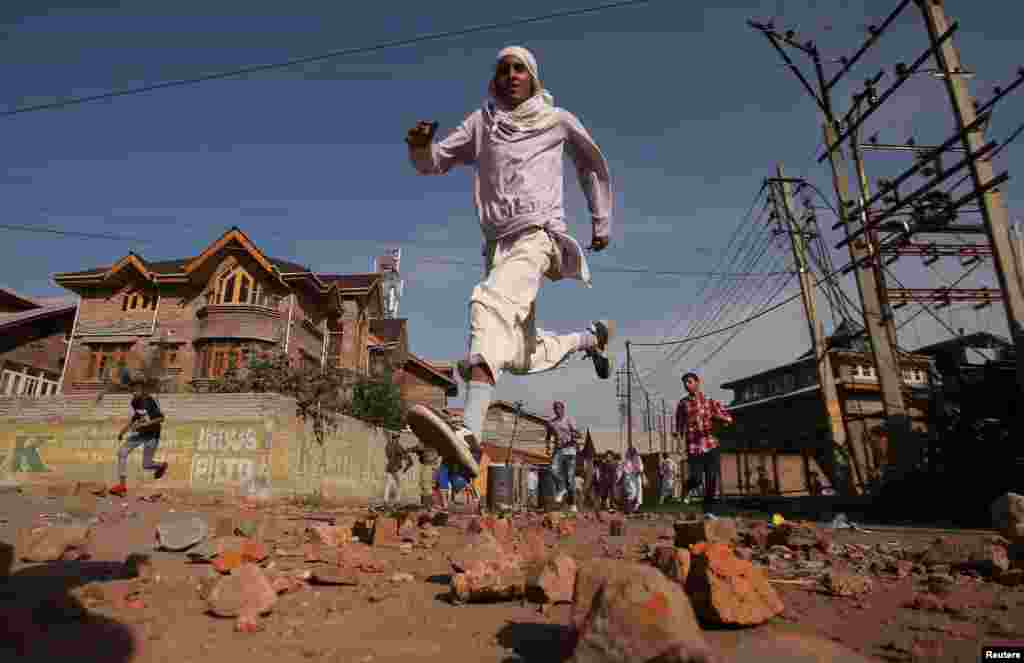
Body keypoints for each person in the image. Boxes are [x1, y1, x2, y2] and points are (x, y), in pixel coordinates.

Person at [406, 45, 616, 475]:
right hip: (497, 246)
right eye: (503, 70)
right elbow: (435, 162)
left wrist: (602, 220)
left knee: (488, 306)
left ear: (534, 76)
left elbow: (591, 164)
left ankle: (470, 433)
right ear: (495, 79)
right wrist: (420, 147)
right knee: (517, 353)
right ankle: (588, 339)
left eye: (519, 68)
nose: (511, 75)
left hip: (538, 236)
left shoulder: (556, 120)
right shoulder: (483, 122)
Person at [673, 371, 734, 515]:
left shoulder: (709, 401)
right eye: (684, 383)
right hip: (694, 447)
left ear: (697, 382)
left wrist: (723, 421)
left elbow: (727, 417)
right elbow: (679, 426)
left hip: (711, 444)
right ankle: (687, 487)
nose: (687, 386)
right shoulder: (683, 404)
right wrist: (679, 437)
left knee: (712, 478)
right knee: (697, 478)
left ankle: (708, 511)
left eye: (689, 382)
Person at [109, 372, 168, 498]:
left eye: (136, 390)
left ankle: (161, 465)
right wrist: (123, 430)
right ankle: (122, 486)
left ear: (142, 389)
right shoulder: (134, 402)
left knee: (146, 465)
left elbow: (161, 418)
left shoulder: (150, 400)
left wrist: (143, 425)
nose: (134, 392)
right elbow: (136, 416)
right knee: (122, 453)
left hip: (152, 435)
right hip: (140, 434)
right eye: (132, 390)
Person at [545, 400, 580, 511]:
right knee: (553, 470)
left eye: (559, 408)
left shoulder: (569, 420)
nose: (557, 411)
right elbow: (548, 436)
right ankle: (561, 488)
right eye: (555, 409)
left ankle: (573, 504)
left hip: (570, 450)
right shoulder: (552, 422)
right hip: (559, 450)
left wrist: (570, 436)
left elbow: (577, 434)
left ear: (563, 409)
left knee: (570, 478)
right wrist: (548, 446)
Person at [383, 432, 412, 507]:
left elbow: (389, 455)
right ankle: (397, 501)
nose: (398, 439)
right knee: (399, 484)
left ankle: (385, 500)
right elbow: (403, 455)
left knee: (388, 484)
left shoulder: (388, 446)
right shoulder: (398, 446)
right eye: (397, 438)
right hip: (396, 468)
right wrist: (407, 458)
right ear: (397, 438)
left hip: (389, 467)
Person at [579, 429, 597, 509]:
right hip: (586, 476)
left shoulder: (589, 461)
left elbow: (589, 472)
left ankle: (582, 506)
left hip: (588, 476)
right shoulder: (585, 458)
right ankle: (593, 506)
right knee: (588, 492)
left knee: (585, 491)